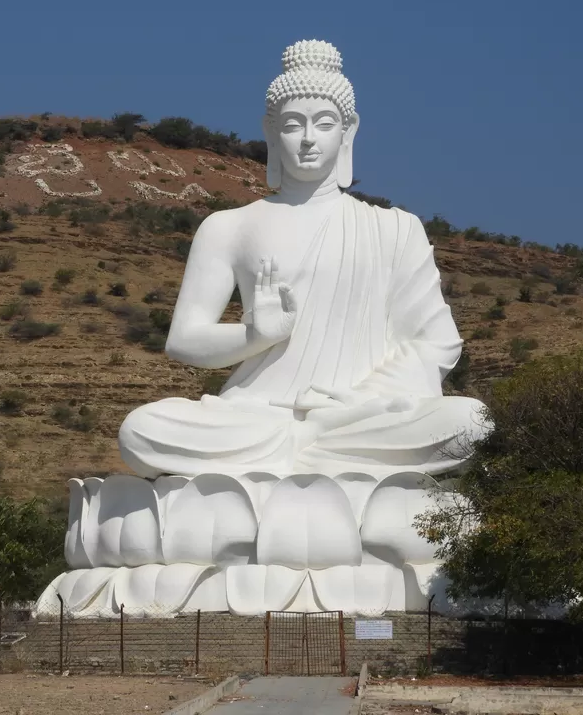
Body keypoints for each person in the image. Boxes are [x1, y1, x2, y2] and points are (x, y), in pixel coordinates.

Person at [119, 40, 488, 480]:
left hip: (354, 415)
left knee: (472, 422)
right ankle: (316, 458)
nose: (309, 138)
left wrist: (361, 399)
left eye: (324, 123)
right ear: (271, 131)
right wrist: (255, 336)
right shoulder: (228, 226)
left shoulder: (394, 228)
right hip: (257, 414)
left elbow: (436, 342)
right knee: (140, 430)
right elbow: (183, 341)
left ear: (348, 130)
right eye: (293, 125)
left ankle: (299, 452)